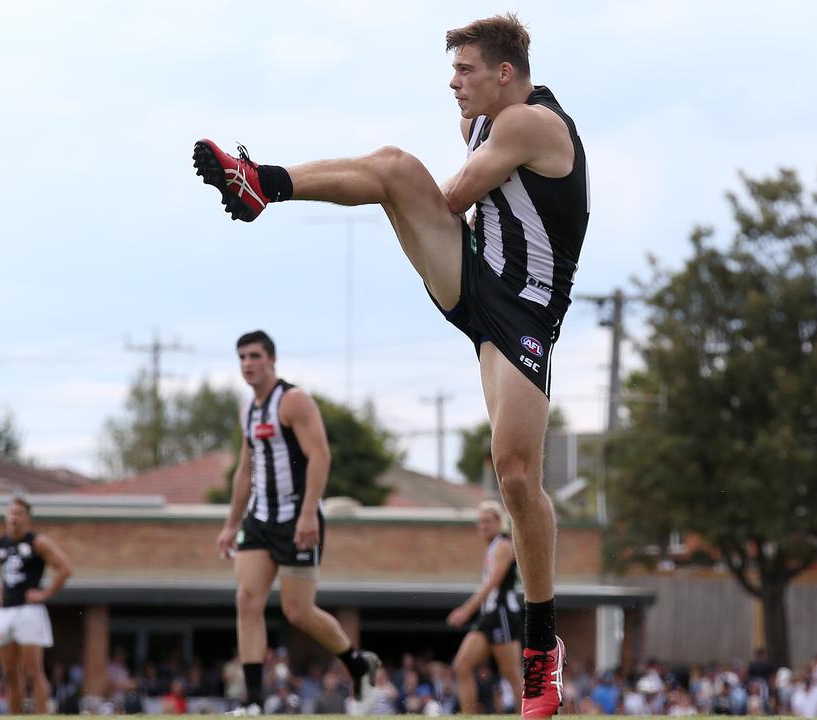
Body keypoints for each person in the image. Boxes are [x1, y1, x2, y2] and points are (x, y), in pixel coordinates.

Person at [192, 14, 587, 717]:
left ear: (505, 73)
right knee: (393, 167)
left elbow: (456, 198)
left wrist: (413, 212)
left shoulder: (529, 122)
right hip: (475, 281)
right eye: (453, 71)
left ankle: (541, 644)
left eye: (465, 70)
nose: (453, 83)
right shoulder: (486, 126)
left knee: (517, 474)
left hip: (524, 312)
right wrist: (410, 210)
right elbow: (453, 207)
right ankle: (261, 184)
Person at [216, 331, 381, 715]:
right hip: (259, 518)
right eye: (241, 357)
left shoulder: (293, 401)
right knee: (246, 599)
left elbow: (320, 456)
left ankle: (360, 665)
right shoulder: (248, 409)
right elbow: (245, 469)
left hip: (297, 518)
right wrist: (229, 523)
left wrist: (308, 513)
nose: (247, 364)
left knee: (298, 611)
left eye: (254, 355)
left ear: (271, 359)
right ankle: (254, 701)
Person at [0, 496, 73, 715]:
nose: (14, 517)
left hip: (29, 611)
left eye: (19, 513)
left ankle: (41, 714)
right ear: (6, 516)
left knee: (33, 671)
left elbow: (65, 568)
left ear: (27, 518)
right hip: (5, 611)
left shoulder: (37, 542)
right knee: (11, 673)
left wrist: (44, 594)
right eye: (11, 512)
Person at [448, 500, 525, 712]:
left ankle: (531, 716)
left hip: (502, 614)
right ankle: (469, 715)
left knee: (511, 673)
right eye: (481, 522)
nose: (484, 526)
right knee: (461, 666)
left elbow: (492, 584)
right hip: (488, 616)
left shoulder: (503, 545)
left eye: (488, 521)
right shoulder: (491, 546)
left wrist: (466, 610)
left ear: (499, 522)